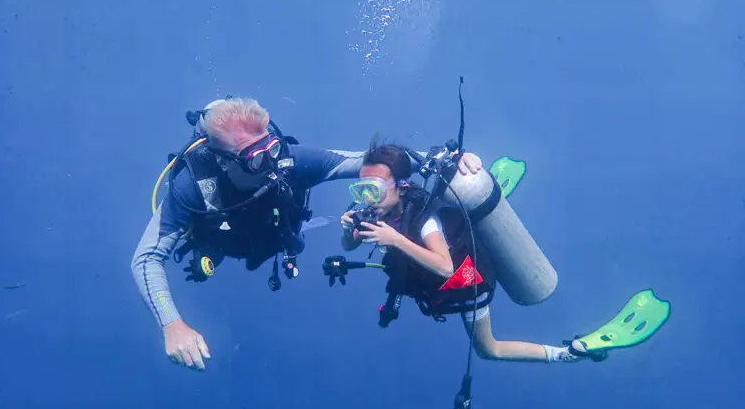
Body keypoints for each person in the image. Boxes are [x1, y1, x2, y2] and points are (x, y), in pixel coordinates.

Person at [131, 97, 483, 371]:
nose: (272, 164)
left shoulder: (292, 160)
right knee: (209, 251)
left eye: (272, 147)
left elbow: (367, 163)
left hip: (279, 234)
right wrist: (171, 323)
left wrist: (445, 159)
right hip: (227, 239)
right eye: (256, 159)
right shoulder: (191, 189)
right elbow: (146, 257)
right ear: (223, 161)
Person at [339, 142, 590, 363]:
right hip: (430, 281)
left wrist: (395, 239)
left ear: (402, 187)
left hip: (466, 282)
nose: (367, 198)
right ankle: (476, 211)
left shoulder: (426, 222)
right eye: (361, 189)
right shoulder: (380, 213)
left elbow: (446, 267)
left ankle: (563, 354)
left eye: (375, 189)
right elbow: (350, 244)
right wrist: (348, 230)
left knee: (488, 349)